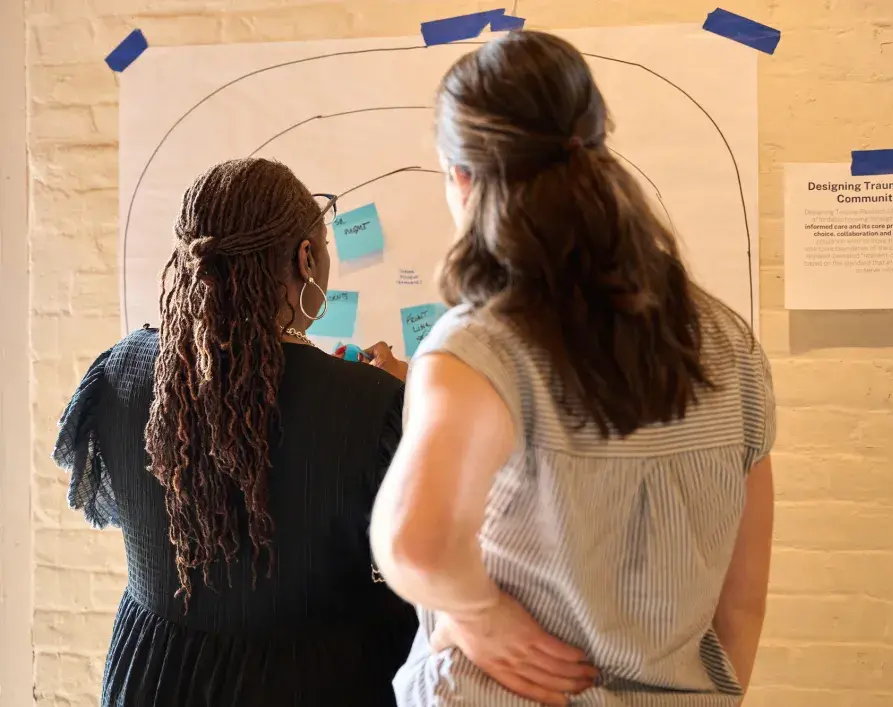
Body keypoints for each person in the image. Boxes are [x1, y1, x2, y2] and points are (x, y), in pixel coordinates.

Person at [369, 31, 776, 707]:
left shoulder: (482, 345)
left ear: (462, 178)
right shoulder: (728, 341)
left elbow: (414, 542)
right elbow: (742, 602)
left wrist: (480, 614)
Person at [53, 158, 416, 706]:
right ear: (306, 259)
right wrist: (414, 408)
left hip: (155, 677)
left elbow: (123, 506)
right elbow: (417, 561)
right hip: (313, 681)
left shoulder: (120, 371)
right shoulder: (375, 403)